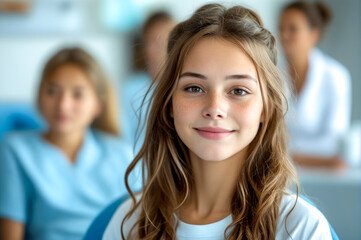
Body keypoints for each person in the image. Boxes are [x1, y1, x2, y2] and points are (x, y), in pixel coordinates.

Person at [104, 4, 332, 239]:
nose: (214, 109)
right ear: (169, 103)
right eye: (194, 88)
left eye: (239, 91)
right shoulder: (129, 222)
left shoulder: (300, 228)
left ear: (266, 108)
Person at [0, 48, 140, 240]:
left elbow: (139, 226)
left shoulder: (120, 152)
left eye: (77, 94)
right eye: (52, 91)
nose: (63, 105)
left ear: (98, 105)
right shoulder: (15, 148)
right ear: (39, 96)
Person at [278, 1, 351, 169]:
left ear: (314, 35)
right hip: (281, 170)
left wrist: (285, 153)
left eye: (292, 28)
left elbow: (335, 141)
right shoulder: (273, 74)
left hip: (323, 175)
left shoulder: (336, 76)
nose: (284, 35)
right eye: (281, 28)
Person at [120, 11, 176, 152]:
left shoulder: (186, 87)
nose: (161, 48)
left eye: (166, 41)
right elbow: (122, 139)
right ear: (145, 47)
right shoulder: (129, 90)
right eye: (154, 42)